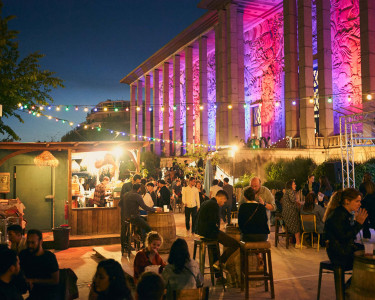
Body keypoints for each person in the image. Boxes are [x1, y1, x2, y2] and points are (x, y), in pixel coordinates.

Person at [324, 188, 367, 295]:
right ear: (347, 201)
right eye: (357, 201)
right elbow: (343, 237)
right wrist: (358, 224)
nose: (359, 204)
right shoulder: (337, 215)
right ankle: (348, 290)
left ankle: (350, 288)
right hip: (340, 255)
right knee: (368, 264)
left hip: (344, 250)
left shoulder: (344, 214)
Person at [196, 190, 240, 278]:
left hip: (202, 231)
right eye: (224, 201)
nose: (223, 204)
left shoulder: (207, 202)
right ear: (221, 197)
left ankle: (218, 274)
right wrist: (219, 230)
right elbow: (213, 223)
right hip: (209, 232)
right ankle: (220, 262)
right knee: (235, 244)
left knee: (215, 248)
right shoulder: (214, 205)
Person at [19, 229, 60, 299]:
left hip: (49, 295)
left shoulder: (49, 257)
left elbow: (55, 280)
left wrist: (33, 280)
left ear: (40, 242)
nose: (30, 246)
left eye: (33, 243)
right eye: (28, 243)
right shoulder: (24, 254)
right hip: (34, 295)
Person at [119, 184, 162, 249]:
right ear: (139, 189)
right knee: (148, 228)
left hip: (125, 217)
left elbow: (119, 204)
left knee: (141, 222)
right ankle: (146, 245)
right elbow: (144, 207)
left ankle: (136, 234)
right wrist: (155, 209)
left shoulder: (126, 194)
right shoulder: (137, 196)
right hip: (134, 218)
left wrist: (128, 209)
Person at [281, 180, 302, 248]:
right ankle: (298, 243)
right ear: (290, 185)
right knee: (297, 223)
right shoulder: (290, 191)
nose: (295, 185)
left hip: (287, 212)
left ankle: (296, 241)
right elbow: (293, 200)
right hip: (290, 213)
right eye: (294, 184)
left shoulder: (287, 192)